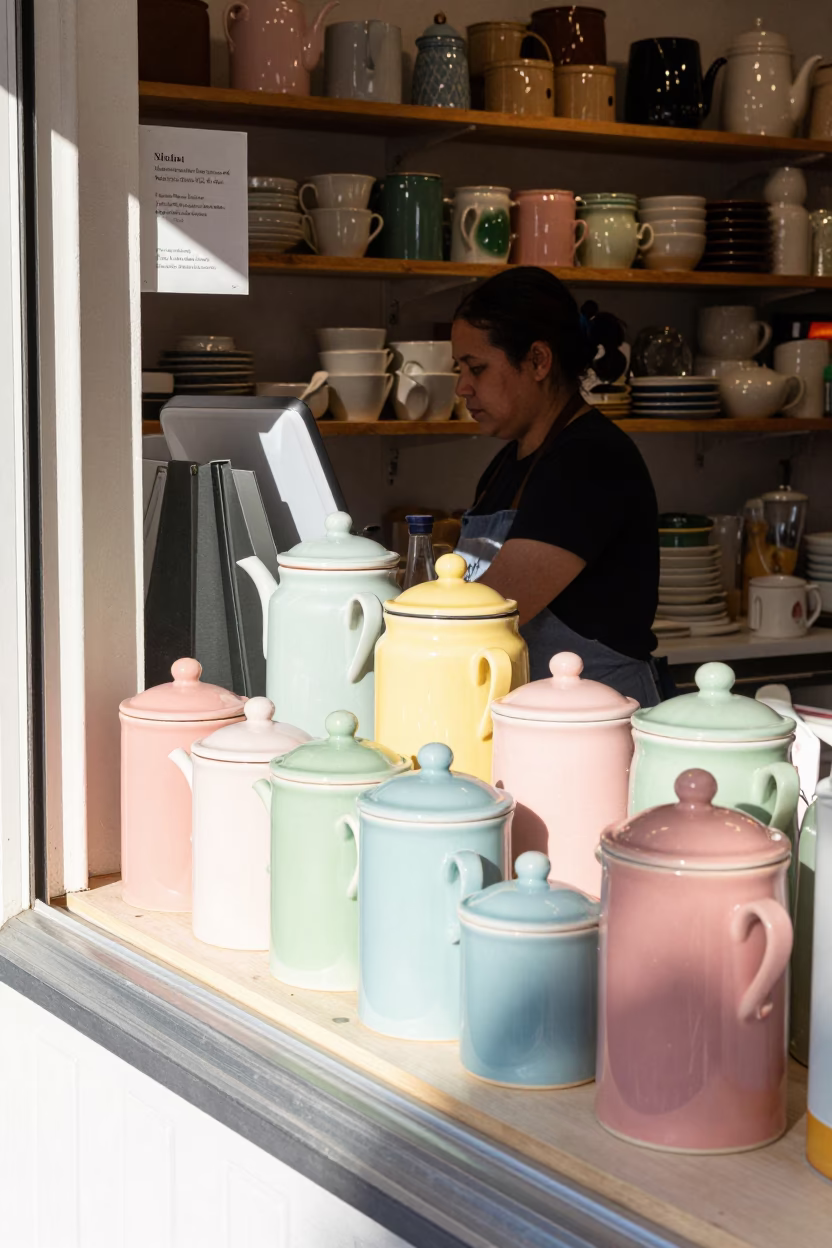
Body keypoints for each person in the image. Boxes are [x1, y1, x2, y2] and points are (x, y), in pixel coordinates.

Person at [451, 265, 661, 706]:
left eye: (476, 368)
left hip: (597, 717)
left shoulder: (590, 460)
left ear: (538, 361)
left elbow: (492, 610)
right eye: (459, 369)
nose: (462, 387)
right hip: (533, 711)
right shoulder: (506, 463)